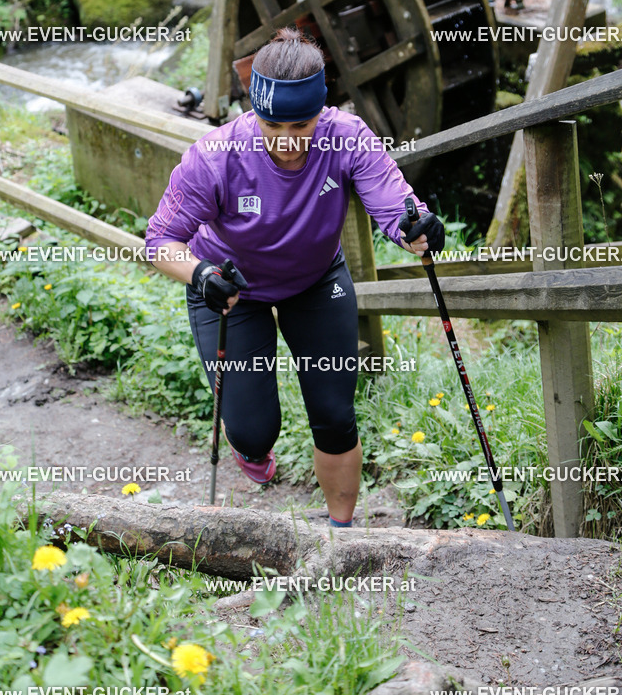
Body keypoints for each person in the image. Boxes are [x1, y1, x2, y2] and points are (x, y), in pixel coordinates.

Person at [144, 27, 444, 527]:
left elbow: (396, 205)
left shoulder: (345, 136)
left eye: (300, 125)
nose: (286, 141)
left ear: (321, 111)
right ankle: (253, 451)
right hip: (230, 290)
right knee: (252, 429)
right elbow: (160, 242)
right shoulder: (214, 157)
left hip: (315, 281)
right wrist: (200, 274)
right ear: (253, 111)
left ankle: (340, 536)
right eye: (271, 124)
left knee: (334, 415)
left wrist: (416, 228)